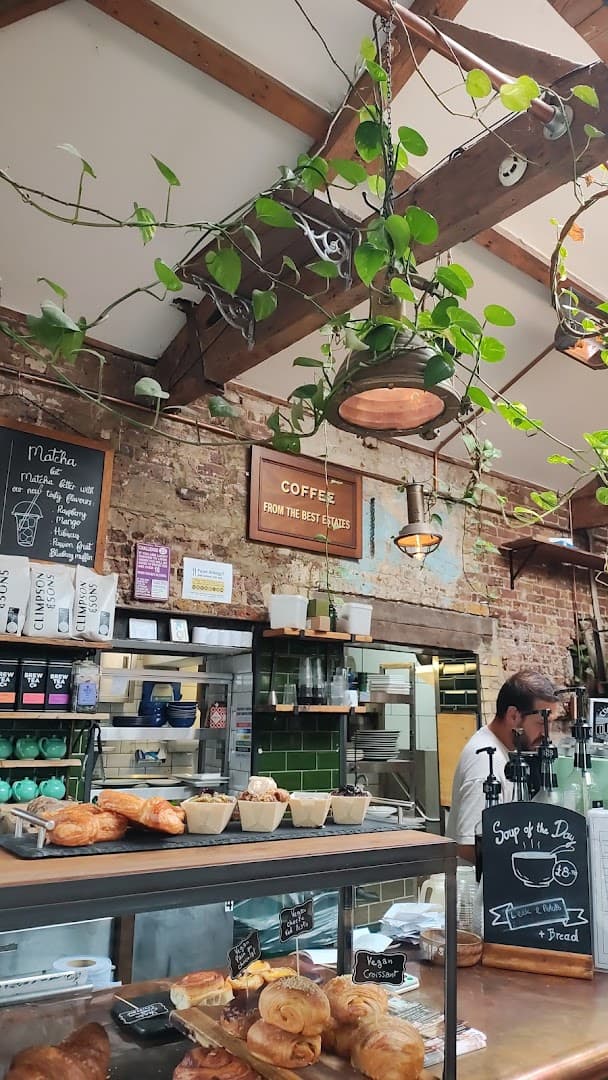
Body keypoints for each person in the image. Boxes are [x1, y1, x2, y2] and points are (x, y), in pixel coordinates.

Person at [446, 670, 560, 863]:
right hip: (479, 890)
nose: (546, 735)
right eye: (541, 723)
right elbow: (467, 846)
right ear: (514, 715)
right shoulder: (484, 761)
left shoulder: (506, 751)